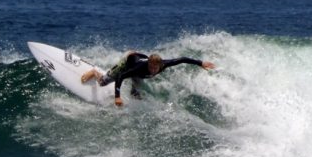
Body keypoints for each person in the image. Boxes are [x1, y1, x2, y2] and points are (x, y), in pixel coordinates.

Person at [80, 50, 215, 106]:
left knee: (135, 95)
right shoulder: (140, 68)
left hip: (140, 60)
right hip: (129, 61)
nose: (153, 70)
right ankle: (94, 72)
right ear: (149, 64)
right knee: (104, 82)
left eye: (155, 68)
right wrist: (117, 96)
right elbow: (121, 76)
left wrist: (201, 63)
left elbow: (182, 59)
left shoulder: (163, 65)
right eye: (151, 67)